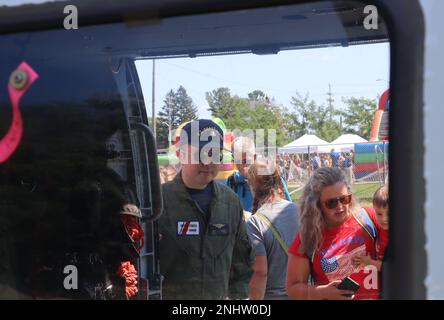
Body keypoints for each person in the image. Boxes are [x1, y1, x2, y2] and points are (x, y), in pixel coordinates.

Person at [158, 119, 254, 300]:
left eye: (215, 154)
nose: (208, 162)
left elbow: (242, 263)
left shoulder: (231, 202)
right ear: (181, 154)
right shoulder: (159, 202)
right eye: (200, 154)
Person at [286, 167, 380, 300]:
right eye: (331, 203)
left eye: (344, 199)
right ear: (316, 204)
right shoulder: (308, 236)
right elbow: (293, 288)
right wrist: (323, 292)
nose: (340, 206)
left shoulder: (368, 218)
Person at [246, 162, 299, 299]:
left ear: (252, 186)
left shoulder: (255, 222)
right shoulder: (300, 211)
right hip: (302, 293)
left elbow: (260, 272)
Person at [227, 136, 292, 214]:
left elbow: (288, 210)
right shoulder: (232, 181)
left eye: (245, 161)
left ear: (254, 157)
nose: (241, 166)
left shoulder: (270, 178)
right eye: (237, 161)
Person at [352, 185, 389, 271]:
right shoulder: (381, 228)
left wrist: (369, 262)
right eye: (379, 214)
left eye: (389, 214)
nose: (384, 219)